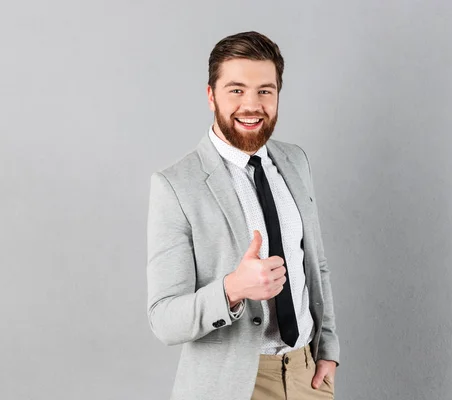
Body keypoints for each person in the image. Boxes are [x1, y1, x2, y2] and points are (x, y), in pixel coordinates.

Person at [146, 31, 340, 400]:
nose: (252, 105)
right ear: (210, 95)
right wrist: (233, 289)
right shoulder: (175, 186)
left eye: (265, 91)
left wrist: (327, 349)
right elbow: (164, 319)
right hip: (233, 385)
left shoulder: (295, 161)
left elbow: (316, 265)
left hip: (306, 376)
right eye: (236, 90)